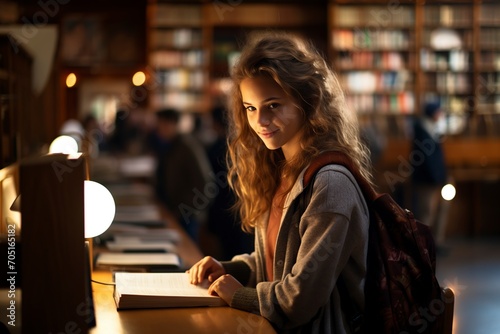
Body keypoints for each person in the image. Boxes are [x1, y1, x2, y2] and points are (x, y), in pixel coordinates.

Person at [187, 31, 372, 333]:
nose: (259, 121)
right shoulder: (280, 169)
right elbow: (276, 265)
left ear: (307, 102)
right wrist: (229, 270)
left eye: (273, 105)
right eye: (250, 108)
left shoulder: (330, 184)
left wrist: (241, 295)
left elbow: (300, 300)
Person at [151, 108, 214, 242]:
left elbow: (205, 183)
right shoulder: (170, 145)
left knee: (187, 252)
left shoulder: (187, 146)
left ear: (173, 124)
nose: (159, 129)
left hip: (186, 214)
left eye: (162, 124)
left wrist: (183, 211)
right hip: (175, 210)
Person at [411, 101, 449, 245]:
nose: (440, 115)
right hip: (427, 180)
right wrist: (437, 177)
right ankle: (424, 245)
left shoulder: (432, 129)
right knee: (426, 213)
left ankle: (435, 242)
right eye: (438, 112)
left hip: (436, 178)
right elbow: (426, 160)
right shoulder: (422, 130)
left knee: (437, 210)